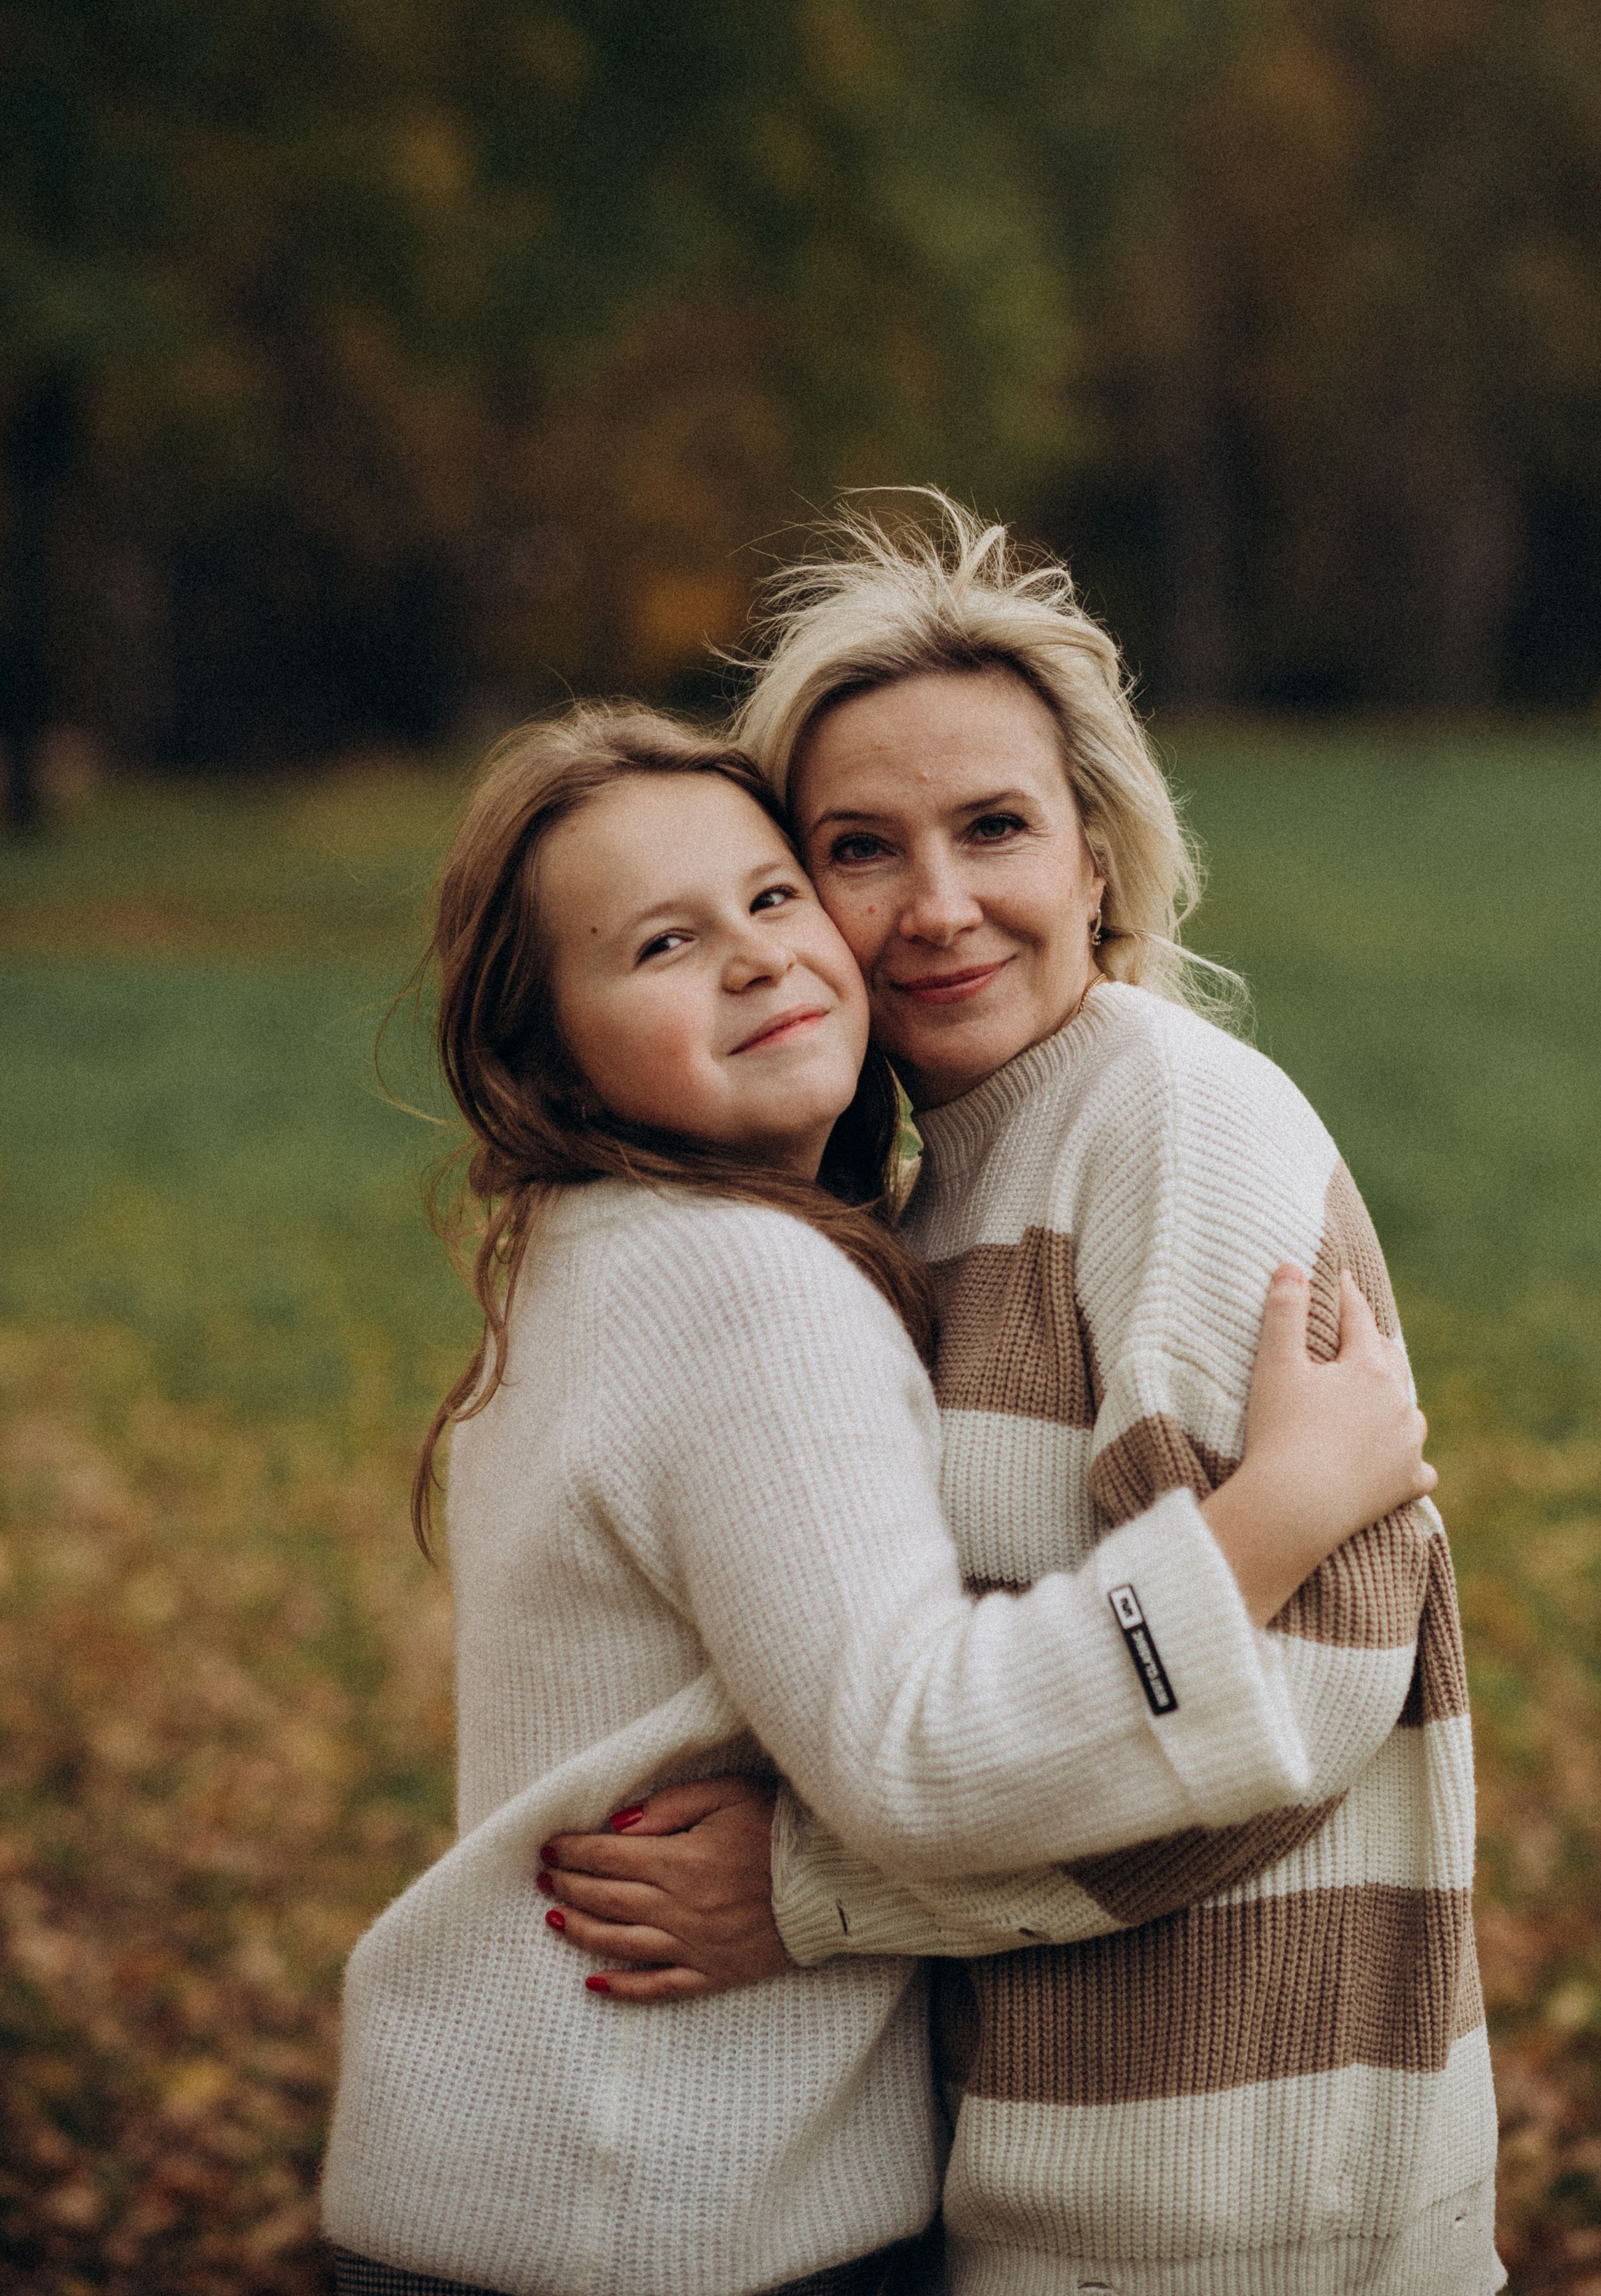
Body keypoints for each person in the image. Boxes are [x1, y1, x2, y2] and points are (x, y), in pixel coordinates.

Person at [320, 703, 1435, 2296]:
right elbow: (918, 1750)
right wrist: (1271, 1517)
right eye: (659, 943)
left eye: (771, 898)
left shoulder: (602, 1255)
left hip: (556, 2174)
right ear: (545, 1045)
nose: (759, 956)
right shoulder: (746, 1282)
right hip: (654, 2210)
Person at [540, 500, 1502, 2295]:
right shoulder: (944, 1184)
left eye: (993, 828)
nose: (935, 907)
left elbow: (1300, 1694)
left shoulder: (1175, 1131)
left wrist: (817, 1894)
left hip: (1235, 2202)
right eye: (856, 848)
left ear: (1098, 860)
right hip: (1045, 2179)